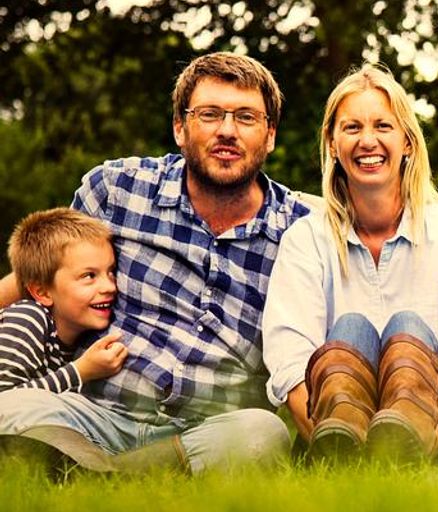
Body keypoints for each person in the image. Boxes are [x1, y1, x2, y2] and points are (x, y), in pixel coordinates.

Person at [0, 52, 311, 474]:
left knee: (263, 434)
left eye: (246, 117)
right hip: (95, 416)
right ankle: (121, 471)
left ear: (270, 135)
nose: (227, 131)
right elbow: (37, 280)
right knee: (10, 404)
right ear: (180, 128)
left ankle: (100, 475)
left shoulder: (300, 231)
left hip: (210, 429)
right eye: (210, 114)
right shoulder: (116, 190)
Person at [261, 64, 438, 463]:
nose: (368, 141)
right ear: (331, 143)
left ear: (408, 141)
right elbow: (289, 362)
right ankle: (346, 451)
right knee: (351, 330)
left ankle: (400, 443)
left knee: (406, 328)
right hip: (337, 435)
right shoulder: (306, 240)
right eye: (352, 128)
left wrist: (422, 447)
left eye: (382, 126)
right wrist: (335, 449)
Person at [0, 208, 126, 393]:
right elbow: (6, 402)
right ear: (43, 293)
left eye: (111, 272)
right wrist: (81, 371)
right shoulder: (27, 320)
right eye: (89, 275)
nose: (110, 286)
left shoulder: (77, 340)